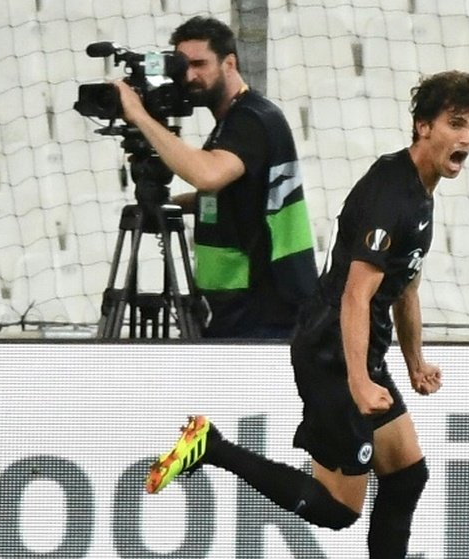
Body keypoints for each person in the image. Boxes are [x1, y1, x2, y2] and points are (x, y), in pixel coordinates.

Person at [145, 70, 469, 559]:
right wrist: (357, 379)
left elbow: (405, 287)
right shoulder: (391, 192)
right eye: (456, 125)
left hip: (358, 350)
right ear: (423, 126)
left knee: (407, 474)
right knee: (337, 510)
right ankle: (213, 446)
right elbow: (356, 293)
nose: (467, 139)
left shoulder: (422, 193)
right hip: (333, 349)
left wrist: (414, 363)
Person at [113, 16, 318, 339]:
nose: (190, 76)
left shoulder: (251, 119)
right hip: (243, 308)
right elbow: (237, 195)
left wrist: (138, 114)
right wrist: (175, 204)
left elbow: (207, 176)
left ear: (230, 63)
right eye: (183, 67)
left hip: (265, 311)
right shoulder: (235, 120)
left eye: (200, 64)